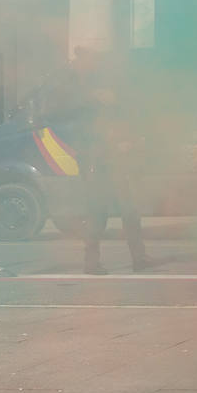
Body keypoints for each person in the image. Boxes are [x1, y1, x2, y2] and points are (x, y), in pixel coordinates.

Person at [80, 83, 150, 275]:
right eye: (102, 91)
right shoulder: (92, 116)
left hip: (119, 173)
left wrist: (131, 144)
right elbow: (90, 145)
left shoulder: (118, 113)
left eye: (108, 91)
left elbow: (132, 136)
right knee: (97, 218)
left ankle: (139, 259)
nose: (106, 95)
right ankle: (91, 263)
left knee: (130, 215)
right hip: (102, 175)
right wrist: (116, 148)